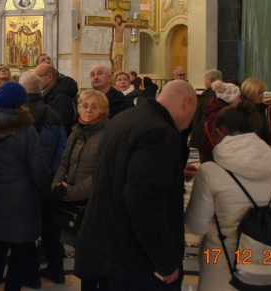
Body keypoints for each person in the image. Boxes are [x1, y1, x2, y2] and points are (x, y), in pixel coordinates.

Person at [75, 80, 197, 290]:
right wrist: (165, 262)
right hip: (133, 260)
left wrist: (170, 171)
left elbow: (122, 170)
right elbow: (144, 203)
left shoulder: (125, 118)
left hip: (104, 246)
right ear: (187, 103)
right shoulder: (159, 132)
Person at [185, 102, 271, 290]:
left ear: (219, 132)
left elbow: (196, 226)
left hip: (220, 262)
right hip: (266, 263)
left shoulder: (210, 172)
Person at [0, 82, 52, 290]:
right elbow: (38, 168)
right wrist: (46, 190)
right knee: (19, 254)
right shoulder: (26, 129)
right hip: (21, 201)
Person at [48, 89, 109, 284]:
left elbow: (101, 174)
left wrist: (73, 193)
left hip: (94, 204)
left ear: (103, 110)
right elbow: (64, 162)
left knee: (93, 255)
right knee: (81, 254)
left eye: (94, 106)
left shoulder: (107, 135)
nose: (88, 110)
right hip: (71, 199)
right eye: (84, 105)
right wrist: (58, 186)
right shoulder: (76, 132)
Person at [20, 72, 68, 283]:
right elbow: (62, 147)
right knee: (51, 229)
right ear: (40, 89)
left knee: (27, 229)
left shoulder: (17, 113)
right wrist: (52, 174)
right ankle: (57, 271)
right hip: (49, 180)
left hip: (24, 182)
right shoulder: (52, 113)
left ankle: (30, 275)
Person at [198, 80, 242, 163]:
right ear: (231, 98)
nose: (240, 99)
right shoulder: (218, 114)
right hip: (213, 156)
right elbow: (214, 139)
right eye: (238, 96)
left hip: (213, 154)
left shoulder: (220, 110)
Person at [35, 63, 78, 130]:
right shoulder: (48, 93)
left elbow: (61, 125)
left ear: (49, 77)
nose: (35, 81)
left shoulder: (61, 98)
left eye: (37, 77)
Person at [189, 69, 223, 150]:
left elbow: (199, 116)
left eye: (205, 79)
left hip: (205, 135)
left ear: (210, 80)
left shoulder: (207, 97)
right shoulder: (224, 95)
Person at [240, 77, 270, 144]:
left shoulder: (261, 107)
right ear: (250, 93)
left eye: (262, 92)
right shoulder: (243, 111)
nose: (262, 96)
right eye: (259, 93)